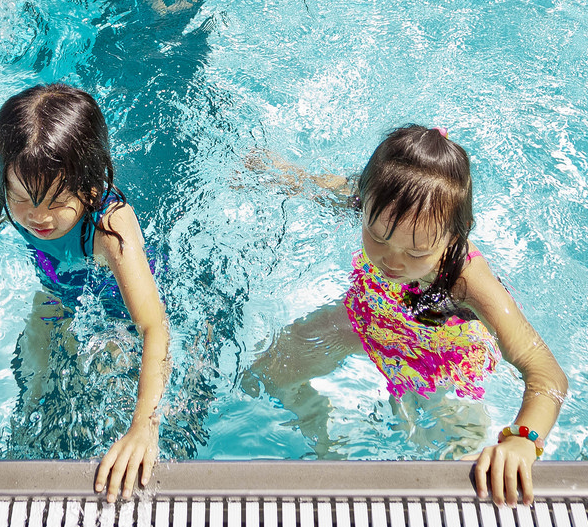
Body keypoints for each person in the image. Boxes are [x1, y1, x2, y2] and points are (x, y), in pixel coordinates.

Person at [243, 126, 569, 505]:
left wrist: (522, 440)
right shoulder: (379, 203)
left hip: (439, 350)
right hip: (369, 316)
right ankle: (321, 431)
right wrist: (277, 172)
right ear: (363, 204)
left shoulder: (467, 279)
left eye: (417, 253)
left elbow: (546, 372)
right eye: (378, 238)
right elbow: (322, 188)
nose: (392, 260)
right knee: (270, 369)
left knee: (450, 459)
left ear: (457, 234)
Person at [0, 84, 169, 501]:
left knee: (106, 383)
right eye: (18, 199)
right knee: (34, 392)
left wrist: (144, 424)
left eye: (54, 200)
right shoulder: (24, 190)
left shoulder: (111, 229)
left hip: (118, 305)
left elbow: (154, 326)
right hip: (59, 291)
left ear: (89, 187)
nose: (37, 217)